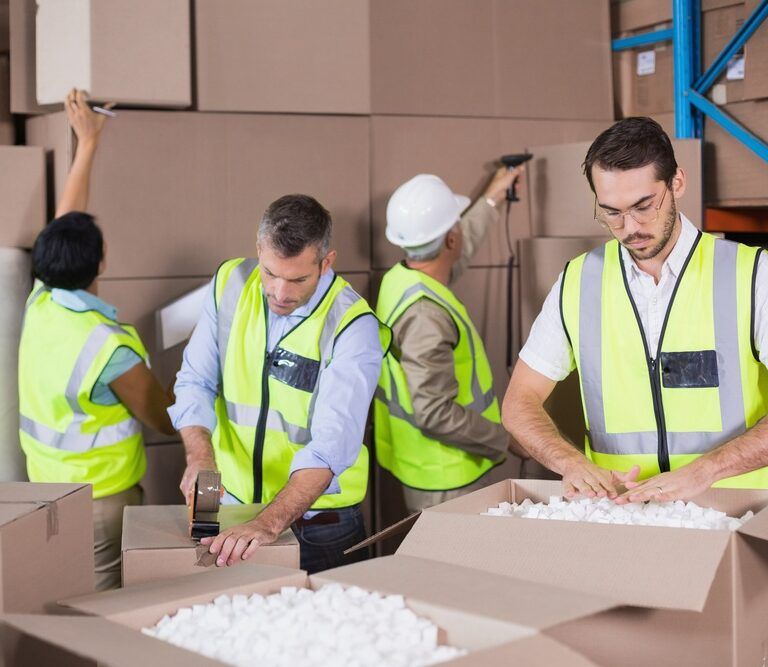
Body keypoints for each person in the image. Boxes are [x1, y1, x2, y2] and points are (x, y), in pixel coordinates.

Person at [503, 117, 768, 502]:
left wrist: (706, 471)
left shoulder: (752, 275)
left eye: (644, 206)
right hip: (625, 513)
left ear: (677, 182)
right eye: (611, 212)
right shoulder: (579, 282)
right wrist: (570, 462)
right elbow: (518, 402)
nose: (630, 228)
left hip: (739, 510)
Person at [170, 194, 391, 573]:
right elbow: (195, 380)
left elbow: (329, 448)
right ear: (259, 249)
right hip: (236, 511)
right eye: (270, 273)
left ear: (327, 262)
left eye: (298, 279)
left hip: (321, 527)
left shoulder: (354, 327)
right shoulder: (229, 284)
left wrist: (268, 523)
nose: (280, 293)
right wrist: (200, 457)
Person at [18, 90, 175, 591]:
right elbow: (166, 419)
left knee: (60, 596)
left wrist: (87, 142)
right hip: (101, 501)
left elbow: (66, 219)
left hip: (46, 491)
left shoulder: (42, 302)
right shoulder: (108, 350)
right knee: (101, 607)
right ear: (102, 260)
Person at [375, 168, 529, 513]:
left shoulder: (400, 280)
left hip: (424, 466)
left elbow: (457, 248)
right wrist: (508, 440)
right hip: (447, 479)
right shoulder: (426, 316)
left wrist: (492, 198)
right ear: (449, 240)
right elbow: (434, 412)